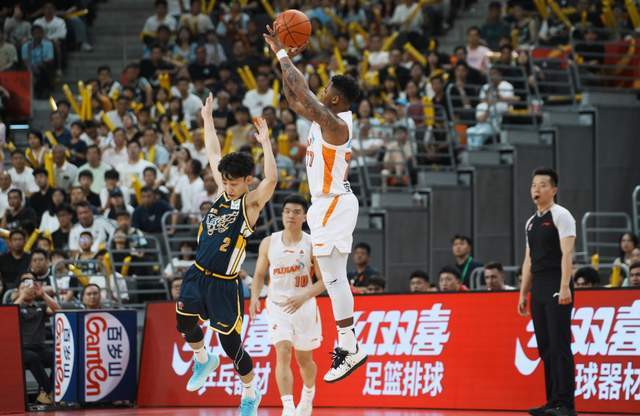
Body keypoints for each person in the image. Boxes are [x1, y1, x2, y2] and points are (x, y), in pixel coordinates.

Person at [265, 28, 367, 383]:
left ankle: (350, 347)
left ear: (335, 99)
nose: (321, 92)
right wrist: (282, 64)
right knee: (335, 278)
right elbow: (294, 97)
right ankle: (349, 345)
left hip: (334, 204)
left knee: (335, 278)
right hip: (327, 205)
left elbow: (304, 93)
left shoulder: (335, 125)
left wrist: (282, 55)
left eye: (326, 90)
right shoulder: (323, 119)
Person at [175, 94, 276, 415]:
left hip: (224, 283)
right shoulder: (223, 193)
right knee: (184, 323)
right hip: (197, 273)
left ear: (247, 181)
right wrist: (207, 119)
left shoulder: (250, 204)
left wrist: (266, 144)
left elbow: (272, 179)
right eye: (226, 183)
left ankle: (250, 392)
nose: (228, 187)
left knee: (231, 345)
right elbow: (213, 152)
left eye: (234, 184)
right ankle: (203, 360)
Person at [249, 194, 324, 416]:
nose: (291, 215)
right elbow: (259, 274)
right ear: (282, 215)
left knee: (305, 360)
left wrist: (304, 296)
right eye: (287, 211)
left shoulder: (312, 244)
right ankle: (288, 407)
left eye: (296, 212)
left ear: (305, 217)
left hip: (304, 305)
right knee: (282, 351)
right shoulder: (269, 242)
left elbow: (324, 282)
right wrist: (254, 297)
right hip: (277, 306)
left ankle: (308, 395)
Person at [518, 167, 576, 416]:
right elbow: (528, 260)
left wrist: (564, 285)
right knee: (545, 346)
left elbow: (567, 253)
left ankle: (566, 404)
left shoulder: (561, 215)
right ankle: (552, 401)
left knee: (559, 344)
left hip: (556, 282)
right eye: (534, 185)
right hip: (539, 286)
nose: (537, 189)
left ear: (554, 190)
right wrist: (523, 293)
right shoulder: (530, 222)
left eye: (543, 185)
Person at [14, 276, 59, 404]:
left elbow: (58, 310)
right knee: (33, 358)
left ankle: (46, 393)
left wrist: (43, 294)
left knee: (58, 357)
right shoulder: (15, 306)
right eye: (24, 287)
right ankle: (50, 392)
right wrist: (22, 296)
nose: (28, 289)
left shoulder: (40, 307)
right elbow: (8, 313)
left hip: (40, 348)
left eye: (30, 287)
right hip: (21, 349)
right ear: (18, 291)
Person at [0, 229, 31, 293]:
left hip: (25, 290)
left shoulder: (30, 258)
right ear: (10, 242)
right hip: (5, 291)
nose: (17, 242)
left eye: (20, 239)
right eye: (15, 240)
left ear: (25, 241)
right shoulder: (2, 258)